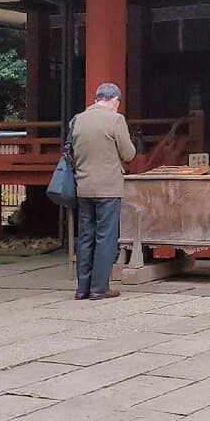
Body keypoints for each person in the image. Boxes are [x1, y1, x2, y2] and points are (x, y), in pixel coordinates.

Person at [71, 82, 136, 299]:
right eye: (118, 102)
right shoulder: (116, 120)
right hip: (108, 187)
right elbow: (129, 153)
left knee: (85, 236)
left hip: (83, 186)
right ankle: (99, 287)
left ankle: (82, 288)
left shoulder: (78, 119)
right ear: (113, 99)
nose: (118, 106)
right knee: (105, 237)